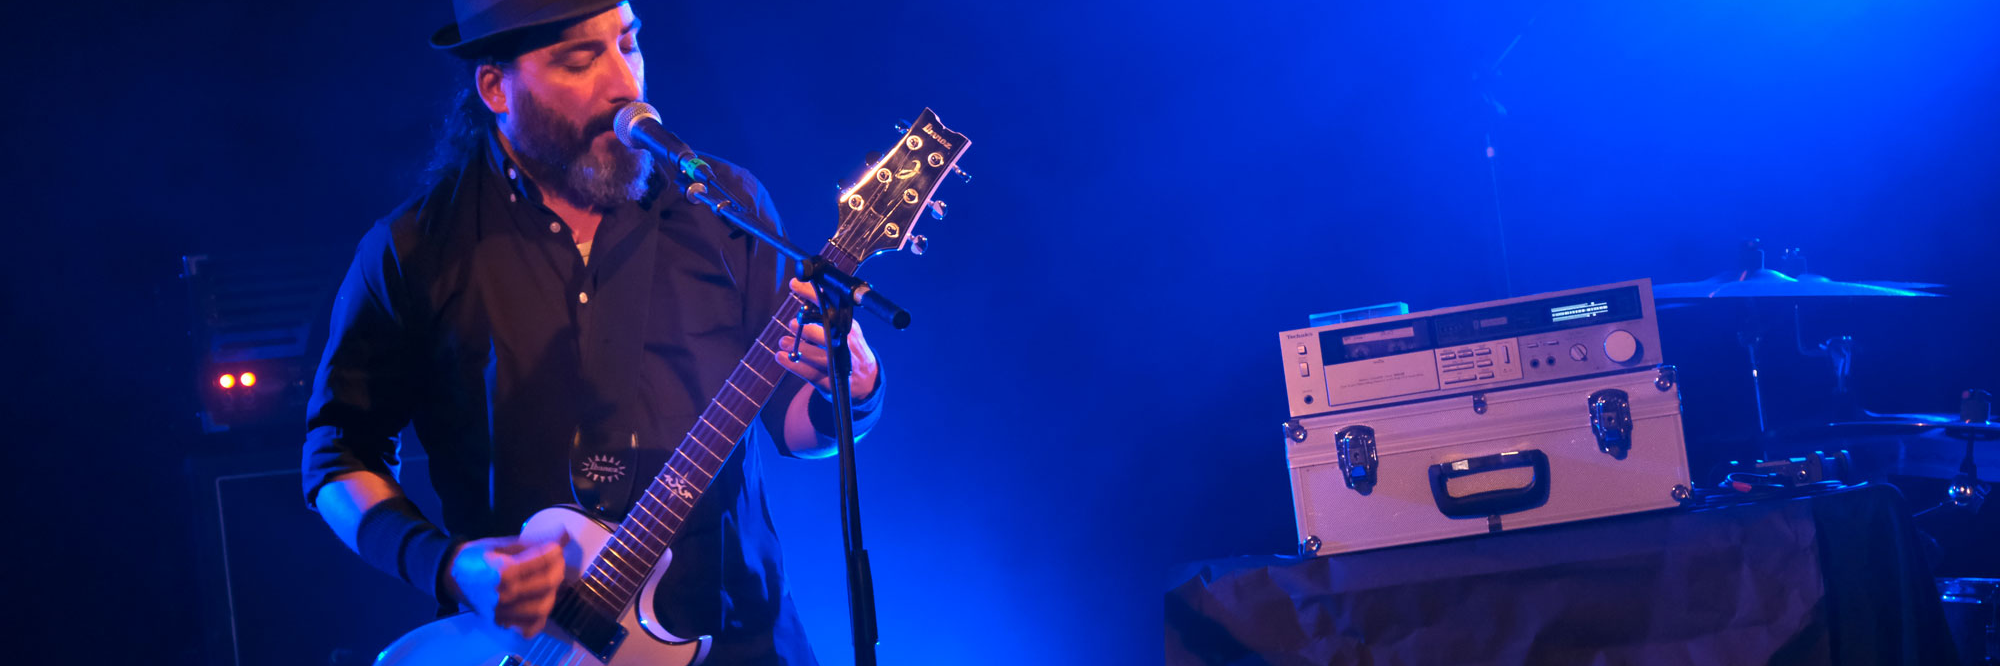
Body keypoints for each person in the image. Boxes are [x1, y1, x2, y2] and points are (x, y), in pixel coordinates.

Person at [300, 1, 883, 662]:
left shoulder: (727, 207)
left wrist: (849, 391)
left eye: (629, 44)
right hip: (535, 647)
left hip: (743, 637)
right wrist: (445, 564)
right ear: (495, 87)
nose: (625, 83)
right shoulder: (413, 250)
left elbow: (792, 425)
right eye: (583, 58)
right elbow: (338, 453)